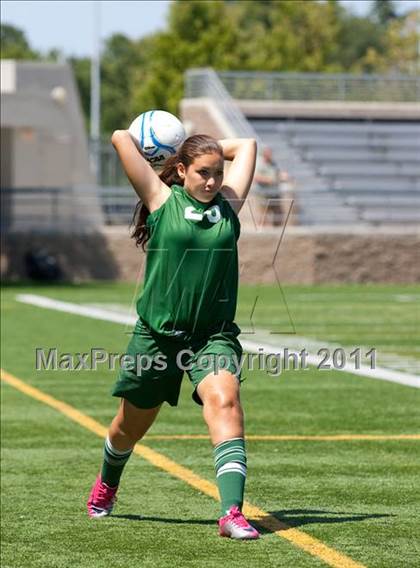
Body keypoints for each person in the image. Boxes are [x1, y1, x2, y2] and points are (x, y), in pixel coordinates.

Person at [87, 129, 260, 540]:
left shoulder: (228, 207)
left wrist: (202, 143)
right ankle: (108, 481)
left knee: (226, 401)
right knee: (128, 428)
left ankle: (231, 513)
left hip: (211, 338)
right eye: (203, 172)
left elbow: (248, 147)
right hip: (157, 338)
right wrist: (173, 139)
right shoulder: (161, 201)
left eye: (218, 172)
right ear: (181, 171)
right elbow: (119, 137)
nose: (213, 181)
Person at [253, 146, 290, 226]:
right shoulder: (260, 164)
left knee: (278, 213)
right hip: (263, 194)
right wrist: (269, 180)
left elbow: (277, 174)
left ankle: (276, 232)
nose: (270, 155)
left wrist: (282, 176)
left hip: (274, 194)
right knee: (263, 216)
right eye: (268, 153)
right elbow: (256, 177)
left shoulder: (273, 164)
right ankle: (261, 233)